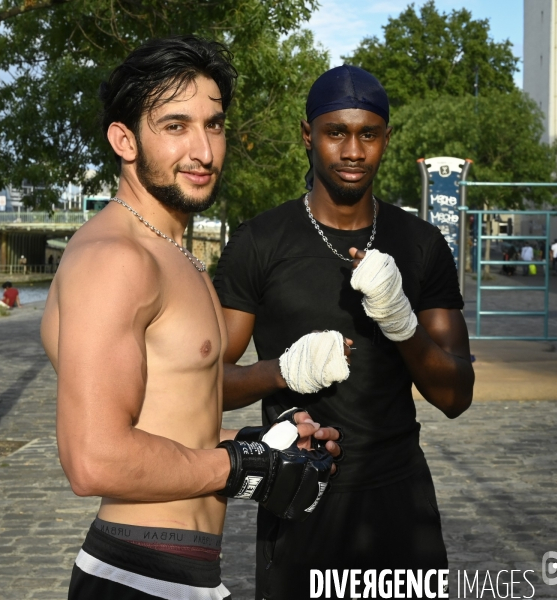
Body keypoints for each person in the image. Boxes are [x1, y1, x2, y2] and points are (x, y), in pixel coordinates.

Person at [40, 37, 340, 600]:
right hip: (139, 574)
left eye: (214, 124)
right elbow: (92, 457)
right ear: (123, 139)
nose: (203, 150)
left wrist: (265, 445)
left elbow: (168, 420)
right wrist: (240, 465)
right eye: (175, 126)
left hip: (182, 572)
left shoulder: (172, 252)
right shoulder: (115, 261)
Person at [214, 65, 475, 599]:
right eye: (337, 133)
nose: (353, 150)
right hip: (300, 493)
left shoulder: (421, 244)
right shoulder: (260, 242)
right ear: (308, 135)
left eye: (368, 134)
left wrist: (401, 321)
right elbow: (200, 382)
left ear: (386, 138)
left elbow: (455, 395)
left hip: (400, 499)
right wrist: (281, 370)